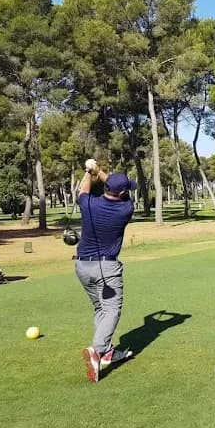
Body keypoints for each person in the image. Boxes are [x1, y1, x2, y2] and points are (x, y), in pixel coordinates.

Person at [76, 158, 136, 383]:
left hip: (82, 266)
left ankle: (108, 351)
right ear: (121, 193)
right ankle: (97, 351)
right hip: (107, 268)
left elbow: (83, 190)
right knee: (112, 310)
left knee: (100, 308)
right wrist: (99, 171)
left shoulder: (89, 204)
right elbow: (114, 188)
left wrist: (90, 171)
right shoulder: (125, 209)